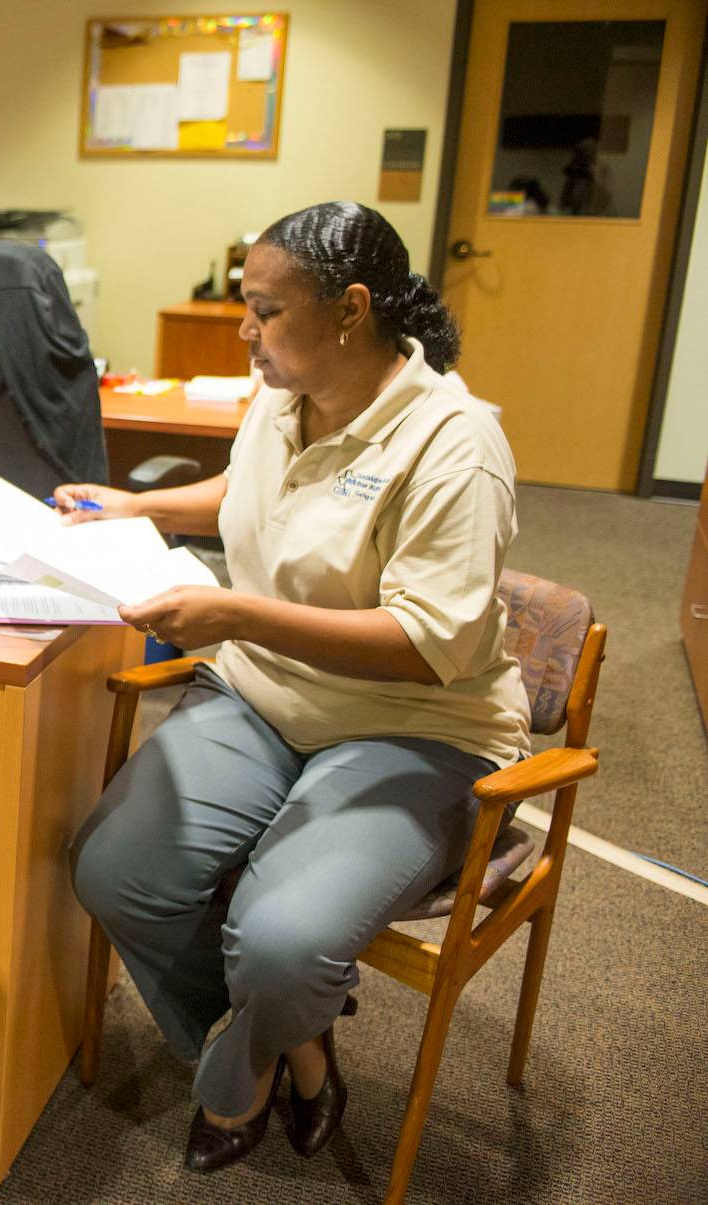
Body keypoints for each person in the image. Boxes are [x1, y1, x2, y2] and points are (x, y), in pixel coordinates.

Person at [62, 202, 530, 1172]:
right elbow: (244, 490)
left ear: (350, 309)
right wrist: (141, 500)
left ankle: (238, 1073)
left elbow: (421, 642)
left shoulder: (452, 443)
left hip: (411, 723)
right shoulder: (282, 394)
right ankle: (300, 1044)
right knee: (113, 872)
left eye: (264, 311)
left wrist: (232, 614)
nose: (244, 332)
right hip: (261, 695)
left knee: (280, 939)